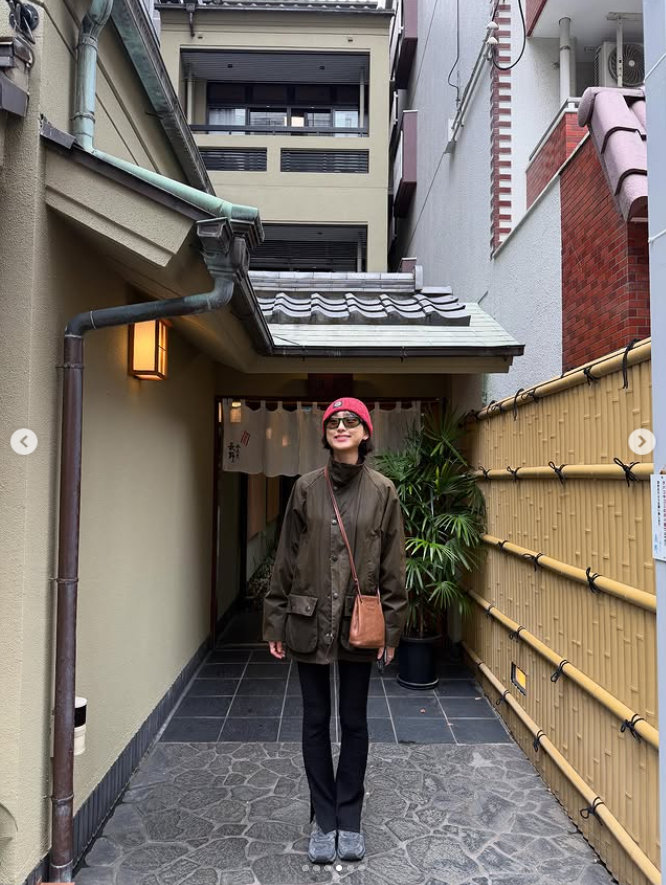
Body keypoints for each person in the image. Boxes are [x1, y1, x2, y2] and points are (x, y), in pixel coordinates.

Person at [263, 397, 408, 864]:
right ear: (325, 434)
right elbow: (285, 557)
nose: (341, 426)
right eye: (333, 422)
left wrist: (392, 630)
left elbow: (393, 565)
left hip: (358, 623)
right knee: (314, 722)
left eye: (351, 421)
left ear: (366, 433)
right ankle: (324, 819)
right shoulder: (305, 488)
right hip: (308, 618)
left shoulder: (383, 491)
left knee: (354, 721)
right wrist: (275, 618)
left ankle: (350, 817)